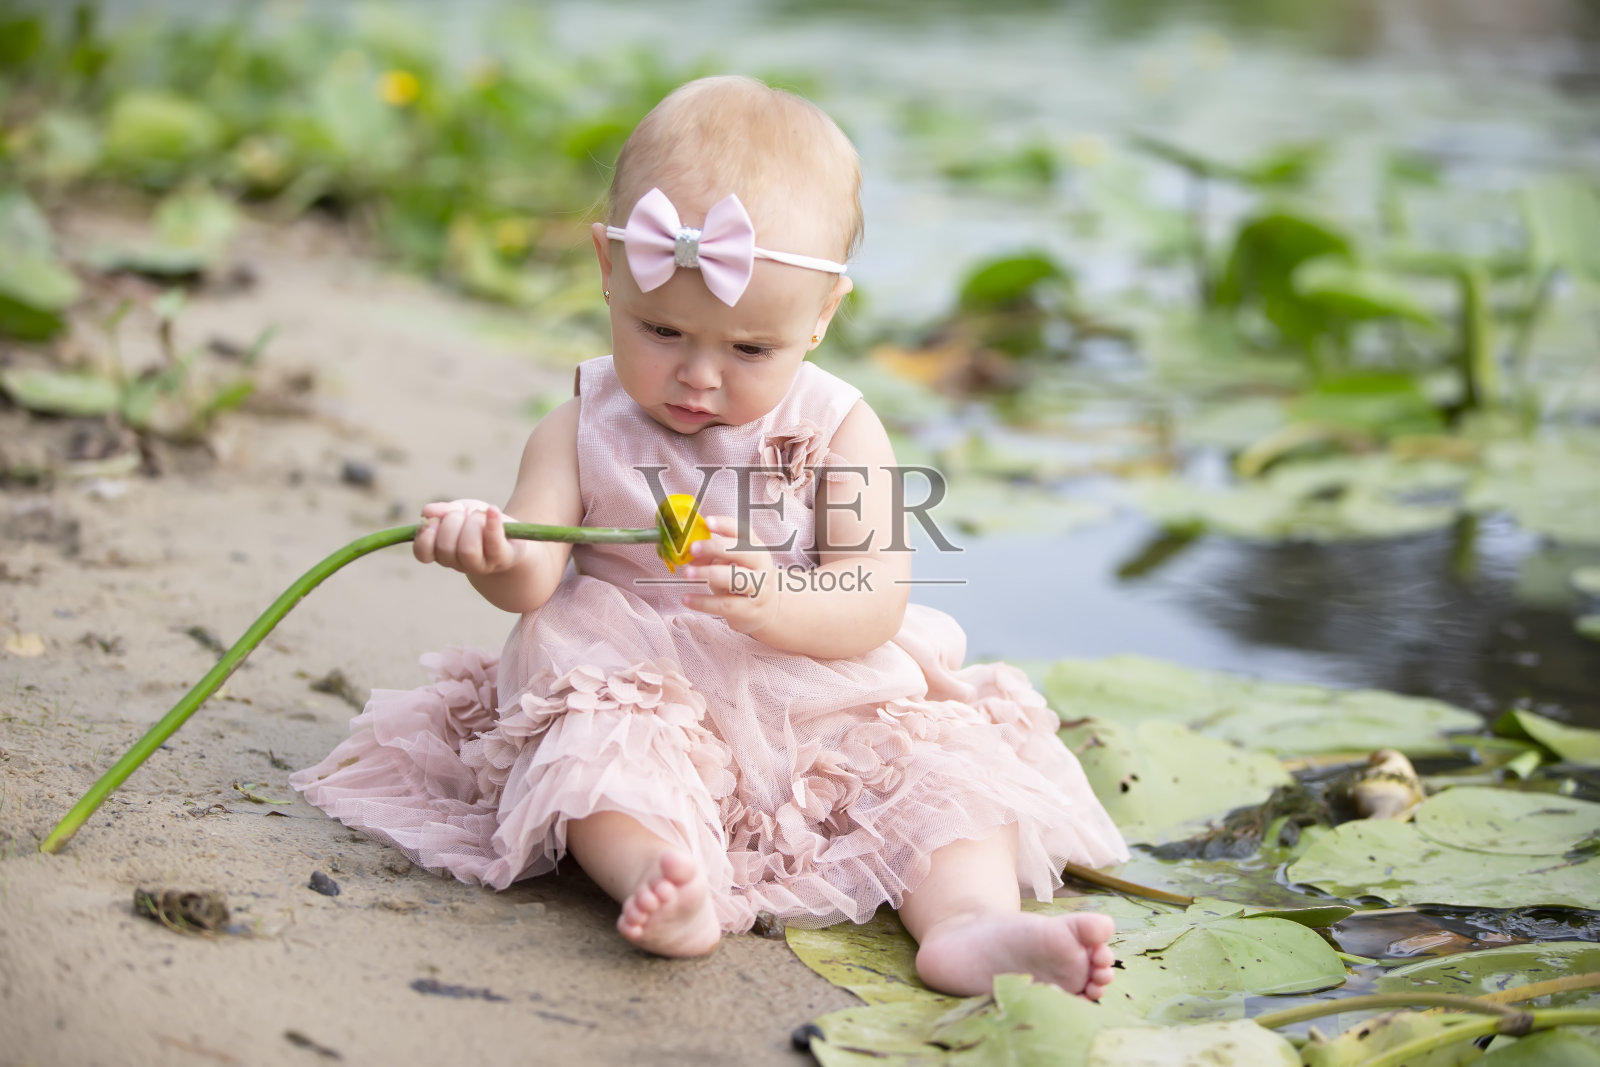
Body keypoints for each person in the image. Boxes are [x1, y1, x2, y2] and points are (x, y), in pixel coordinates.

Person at [292, 75, 1127, 1000]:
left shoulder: (844, 429)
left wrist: (780, 598)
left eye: (748, 350)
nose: (697, 375)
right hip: (634, 675)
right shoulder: (578, 425)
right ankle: (662, 873)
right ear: (609, 267)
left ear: (822, 317)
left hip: (810, 692)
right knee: (602, 759)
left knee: (939, 771)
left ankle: (970, 921)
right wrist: (491, 554)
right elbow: (534, 577)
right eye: (661, 329)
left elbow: (877, 593)